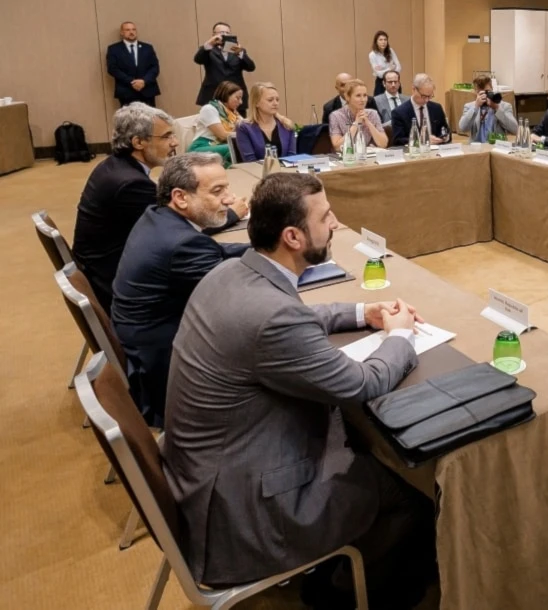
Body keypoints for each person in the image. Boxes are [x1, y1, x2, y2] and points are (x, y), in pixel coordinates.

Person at [162, 172, 434, 608]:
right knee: (409, 492)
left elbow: (298, 316)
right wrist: (400, 335)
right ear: (292, 236)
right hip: (246, 511)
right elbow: (360, 384)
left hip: (213, 474)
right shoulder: (271, 318)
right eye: (325, 217)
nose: (335, 224)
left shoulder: (232, 271)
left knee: (364, 448)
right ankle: (343, 594)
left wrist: (364, 311)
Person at [111, 154, 250, 426]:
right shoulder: (182, 244)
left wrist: (263, 247)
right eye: (217, 191)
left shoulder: (159, 217)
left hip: (145, 341)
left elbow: (217, 253)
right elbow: (238, 298)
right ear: (181, 197)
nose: (229, 199)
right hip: (167, 369)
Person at [73, 103, 246, 314]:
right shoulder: (130, 184)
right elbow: (179, 228)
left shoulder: (115, 166)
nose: (174, 142)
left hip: (107, 267)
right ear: (138, 142)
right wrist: (232, 214)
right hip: (111, 278)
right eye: (166, 136)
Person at [194, 21, 255, 113]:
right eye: (221, 33)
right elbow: (198, 59)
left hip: (236, 95)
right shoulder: (208, 50)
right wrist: (209, 44)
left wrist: (241, 53)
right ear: (213, 35)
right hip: (213, 94)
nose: (224, 35)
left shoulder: (238, 51)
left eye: (227, 33)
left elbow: (251, 67)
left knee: (239, 125)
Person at [235, 82, 296, 161]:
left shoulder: (287, 125)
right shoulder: (244, 127)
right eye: (270, 100)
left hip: (284, 172)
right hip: (257, 172)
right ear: (256, 103)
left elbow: (292, 157)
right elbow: (250, 161)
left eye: (277, 100)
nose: (275, 103)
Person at [106, 22, 160, 107]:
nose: (131, 32)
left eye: (133, 29)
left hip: (147, 90)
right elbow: (112, 69)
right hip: (126, 91)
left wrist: (144, 81)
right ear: (122, 32)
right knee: (130, 119)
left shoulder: (147, 48)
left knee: (151, 119)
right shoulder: (114, 49)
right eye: (127, 30)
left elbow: (155, 67)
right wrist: (132, 82)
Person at [191, 81, 243, 167]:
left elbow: (247, 127)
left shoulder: (233, 114)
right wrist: (244, 135)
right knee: (234, 148)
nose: (241, 102)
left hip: (222, 145)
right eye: (238, 98)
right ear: (226, 96)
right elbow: (222, 135)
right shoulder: (209, 109)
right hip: (201, 147)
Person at [390, 74, 451, 146]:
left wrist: (444, 137)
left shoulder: (436, 108)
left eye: (430, 96)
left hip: (436, 151)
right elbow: (398, 141)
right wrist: (422, 140)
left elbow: (445, 131)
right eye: (424, 96)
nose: (427, 100)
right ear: (413, 89)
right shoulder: (399, 112)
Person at [330, 78, 387, 151]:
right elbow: (337, 147)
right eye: (358, 96)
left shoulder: (373, 113)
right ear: (347, 97)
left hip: (369, 157)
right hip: (347, 158)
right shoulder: (336, 116)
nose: (363, 99)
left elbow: (383, 144)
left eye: (365, 95)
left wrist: (368, 123)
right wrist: (356, 123)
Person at [459, 75, 518, 143]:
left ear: (492, 89)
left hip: (497, 148)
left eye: (487, 92)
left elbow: (515, 129)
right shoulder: (469, 107)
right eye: (480, 93)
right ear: (475, 92)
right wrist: (476, 107)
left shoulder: (505, 106)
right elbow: (462, 128)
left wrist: (497, 108)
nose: (484, 95)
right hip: (477, 148)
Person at [368, 30, 402, 96]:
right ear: (376, 41)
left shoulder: (390, 51)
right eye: (380, 40)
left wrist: (383, 70)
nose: (383, 42)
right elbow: (379, 74)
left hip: (394, 80)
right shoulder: (372, 54)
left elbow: (399, 67)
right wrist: (390, 68)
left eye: (385, 40)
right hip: (381, 82)